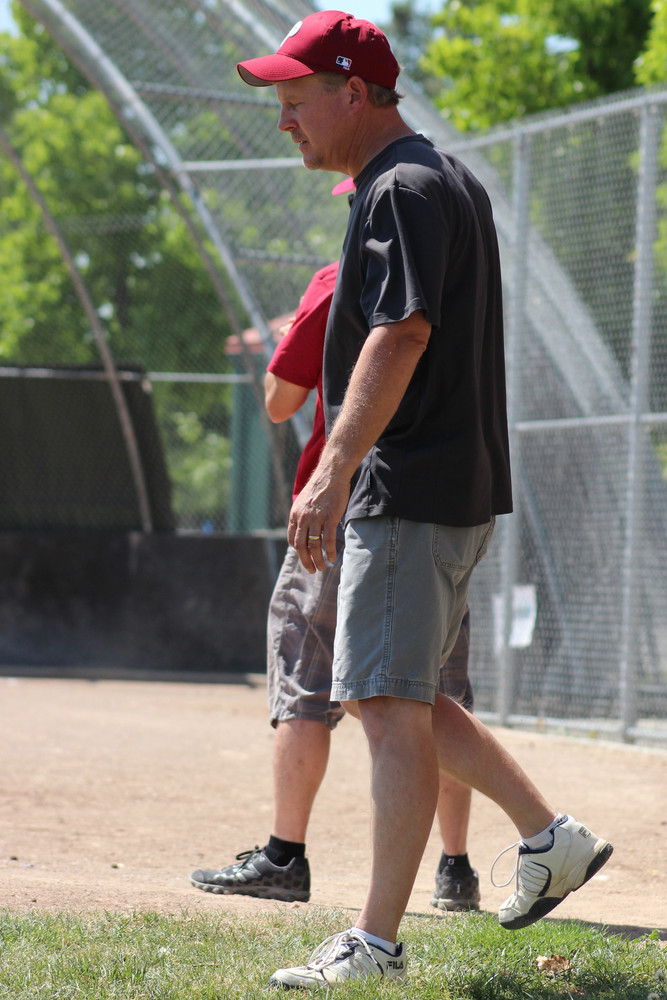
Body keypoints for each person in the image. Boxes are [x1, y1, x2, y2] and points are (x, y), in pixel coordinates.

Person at [236, 12, 613, 988]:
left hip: (408, 485)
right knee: (389, 693)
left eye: (296, 99)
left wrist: (332, 468)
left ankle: (375, 943)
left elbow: (401, 333)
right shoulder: (434, 178)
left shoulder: (400, 187)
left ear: (354, 92)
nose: (284, 120)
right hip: (438, 485)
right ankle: (549, 837)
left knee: (387, 704)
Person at [190, 188, 481, 913]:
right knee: (437, 689)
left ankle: (284, 857)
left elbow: (279, 401)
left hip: (344, 507)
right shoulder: (463, 288)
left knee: (305, 674)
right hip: (436, 507)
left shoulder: (336, 281)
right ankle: (455, 868)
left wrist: (294, 330)